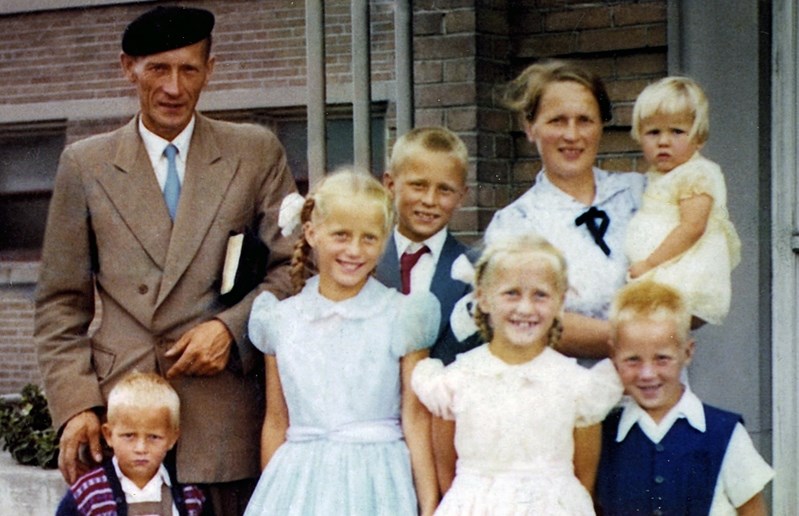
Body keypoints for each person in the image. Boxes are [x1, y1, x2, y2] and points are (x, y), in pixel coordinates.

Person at [34, 6, 296, 515]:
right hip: (127, 422)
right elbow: (60, 305)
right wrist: (77, 407)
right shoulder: (85, 165)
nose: (174, 87)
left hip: (225, 423)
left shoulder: (255, 151)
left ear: (210, 70)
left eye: (189, 69)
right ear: (127, 68)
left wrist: (232, 329)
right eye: (158, 69)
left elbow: (293, 268)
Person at [245, 169, 439, 515]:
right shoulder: (281, 320)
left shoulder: (401, 315)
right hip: (300, 483)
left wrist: (428, 503)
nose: (354, 250)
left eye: (369, 238)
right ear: (312, 232)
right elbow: (277, 420)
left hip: (378, 482)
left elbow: (416, 418)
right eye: (341, 235)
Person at [411, 234, 623, 515]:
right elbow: (448, 471)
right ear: (483, 299)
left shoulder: (577, 385)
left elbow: (583, 477)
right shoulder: (457, 380)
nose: (525, 308)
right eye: (511, 293)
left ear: (560, 303)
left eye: (540, 295)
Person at [484, 60, 646, 359]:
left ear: (601, 125)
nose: (572, 135)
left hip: (656, 393)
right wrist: (645, 338)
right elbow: (530, 322)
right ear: (530, 128)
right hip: (565, 400)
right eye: (557, 120)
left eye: (584, 120)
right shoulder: (514, 225)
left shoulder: (641, 194)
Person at [597, 280, 773, 515]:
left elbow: (754, 510)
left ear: (687, 352)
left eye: (662, 358)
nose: (647, 374)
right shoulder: (603, 434)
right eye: (633, 359)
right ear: (614, 355)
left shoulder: (723, 432)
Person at [377, 126, 480, 494]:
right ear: (390, 184)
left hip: (445, 452)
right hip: (374, 449)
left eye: (445, 190)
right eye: (418, 185)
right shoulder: (361, 263)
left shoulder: (477, 272)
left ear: (462, 195)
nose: (430, 200)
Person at [624, 76, 741, 326]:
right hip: (657, 269)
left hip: (680, 269)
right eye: (653, 132)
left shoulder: (695, 174)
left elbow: (692, 227)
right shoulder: (655, 177)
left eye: (677, 131)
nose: (663, 141)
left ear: (698, 138)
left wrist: (650, 263)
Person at [56, 372, 207, 516]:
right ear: (108, 435)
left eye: (153, 437)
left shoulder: (189, 493)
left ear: (172, 439)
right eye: (129, 436)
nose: (141, 448)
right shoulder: (89, 493)